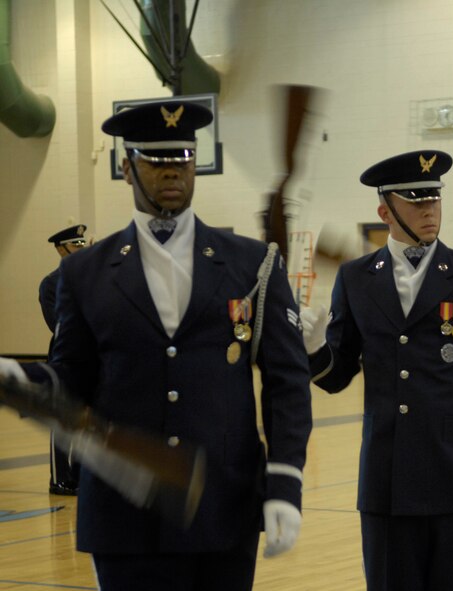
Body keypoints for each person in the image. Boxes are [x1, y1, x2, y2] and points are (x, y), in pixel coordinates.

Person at [1, 100, 312, 590]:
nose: (173, 172)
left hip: (223, 506)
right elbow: (72, 377)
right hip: (124, 515)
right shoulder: (84, 272)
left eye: (183, 159)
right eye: (156, 160)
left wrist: (285, 481)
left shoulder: (251, 263)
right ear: (127, 168)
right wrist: (20, 378)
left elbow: (288, 382)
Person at [300, 150, 453, 590]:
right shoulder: (356, 279)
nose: (430, 209)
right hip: (387, 478)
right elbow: (337, 376)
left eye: (434, 199)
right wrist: (315, 350)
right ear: (385, 211)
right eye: (416, 201)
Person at [39, 223, 88, 495]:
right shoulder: (50, 284)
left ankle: (80, 475)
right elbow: (57, 324)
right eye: (75, 245)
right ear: (61, 249)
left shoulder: (92, 278)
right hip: (65, 358)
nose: (80, 249)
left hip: (92, 360)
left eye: (82, 244)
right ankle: (60, 478)